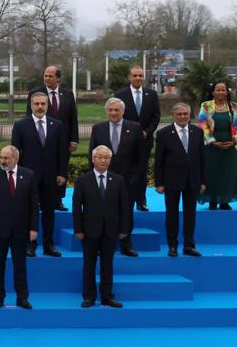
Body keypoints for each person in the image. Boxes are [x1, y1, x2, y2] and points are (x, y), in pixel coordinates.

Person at [10, 92, 68, 257]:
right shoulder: (21, 125)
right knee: (29, 212)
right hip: (28, 178)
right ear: (31, 105)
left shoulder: (57, 125)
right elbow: (15, 153)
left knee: (49, 213)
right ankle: (30, 244)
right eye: (36, 104)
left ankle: (49, 245)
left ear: (47, 105)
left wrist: (62, 173)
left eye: (43, 103)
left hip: (51, 177)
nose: (40, 107)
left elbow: (62, 152)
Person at [72, 146, 130, 308]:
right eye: (100, 157)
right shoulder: (83, 180)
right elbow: (77, 207)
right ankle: (89, 296)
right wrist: (78, 229)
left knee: (107, 265)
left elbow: (124, 207)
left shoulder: (118, 180)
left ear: (110, 160)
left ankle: (107, 296)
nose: (103, 160)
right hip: (89, 231)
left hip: (111, 231)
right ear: (93, 159)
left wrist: (123, 229)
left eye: (106, 157)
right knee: (89, 264)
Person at [0, 146, 39, 310]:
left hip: (20, 230)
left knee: (20, 265)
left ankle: (22, 297)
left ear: (16, 158)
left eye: (6, 158)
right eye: (1, 158)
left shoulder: (28, 175)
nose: (2, 161)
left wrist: (33, 228)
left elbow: (34, 204)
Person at [88, 98, 144, 256]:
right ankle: (102, 245)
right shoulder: (98, 128)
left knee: (127, 213)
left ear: (123, 111)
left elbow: (141, 157)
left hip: (128, 181)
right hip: (103, 180)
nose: (113, 113)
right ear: (106, 111)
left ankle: (126, 245)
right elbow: (91, 155)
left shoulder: (134, 128)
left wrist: (136, 178)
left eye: (116, 110)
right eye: (110, 110)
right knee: (102, 212)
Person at [155, 103, 207, 257]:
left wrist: (203, 181)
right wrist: (159, 183)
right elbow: (159, 160)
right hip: (171, 181)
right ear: (173, 115)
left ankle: (189, 246)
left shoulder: (197, 132)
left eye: (185, 114)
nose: (183, 117)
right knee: (171, 214)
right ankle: (172, 246)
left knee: (190, 214)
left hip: (193, 181)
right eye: (179, 114)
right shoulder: (163, 133)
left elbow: (202, 158)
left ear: (190, 115)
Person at [29, 66, 78, 211]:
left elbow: (73, 118)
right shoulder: (36, 93)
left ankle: (57, 200)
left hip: (63, 140)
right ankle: (37, 199)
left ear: (58, 78)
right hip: (42, 139)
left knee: (60, 168)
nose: (47, 79)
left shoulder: (68, 94)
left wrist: (74, 139)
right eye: (45, 76)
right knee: (40, 169)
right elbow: (29, 117)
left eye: (50, 76)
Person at [115, 66, 161, 211]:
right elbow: (116, 116)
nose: (138, 78)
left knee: (141, 171)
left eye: (140, 75)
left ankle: (141, 201)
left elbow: (156, 117)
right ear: (129, 77)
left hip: (145, 141)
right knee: (124, 171)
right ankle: (122, 199)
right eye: (135, 75)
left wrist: (147, 132)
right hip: (125, 141)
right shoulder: (120, 94)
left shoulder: (151, 94)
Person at [197, 82, 237, 210]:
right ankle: (212, 200)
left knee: (228, 173)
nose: (221, 92)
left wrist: (234, 140)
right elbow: (202, 124)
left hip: (231, 144)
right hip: (212, 145)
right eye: (218, 90)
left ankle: (225, 200)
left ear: (227, 92)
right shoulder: (206, 106)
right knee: (211, 172)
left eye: (223, 90)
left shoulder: (234, 106)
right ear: (213, 92)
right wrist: (212, 141)